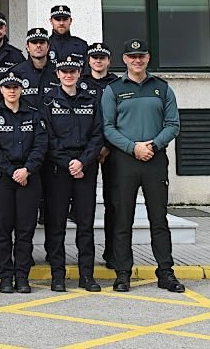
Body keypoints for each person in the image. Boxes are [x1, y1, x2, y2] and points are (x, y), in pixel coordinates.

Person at [103, 39, 184, 294]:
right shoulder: (113, 89)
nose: (137, 60)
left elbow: (173, 124)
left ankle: (165, 272)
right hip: (124, 160)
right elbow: (107, 127)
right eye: (132, 56)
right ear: (124, 59)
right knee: (122, 219)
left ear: (148, 58)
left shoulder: (162, 88)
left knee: (158, 219)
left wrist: (153, 146)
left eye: (141, 56)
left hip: (155, 159)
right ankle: (123, 273)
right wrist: (132, 147)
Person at [0, 72, 48, 293]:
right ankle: (5, 277)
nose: (12, 91)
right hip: (1, 178)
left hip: (29, 178)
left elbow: (40, 146)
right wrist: (12, 171)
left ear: (21, 90)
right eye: (7, 87)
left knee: (25, 231)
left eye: (16, 87)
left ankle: (22, 276)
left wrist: (27, 169)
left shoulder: (35, 115)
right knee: (2, 230)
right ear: (1, 90)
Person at [41, 56, 104, 293]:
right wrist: (68, 162)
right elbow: (46, 137)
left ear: (80, 73)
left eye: (73, 71)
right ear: (57, 74)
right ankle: (58, 275)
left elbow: (98, 135)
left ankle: (86, 275)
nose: (69, 75)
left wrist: (82, 161)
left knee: (85, 225)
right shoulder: (48, 102)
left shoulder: (91, 100)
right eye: (64, 71)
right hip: (58, 169)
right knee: (56, 225)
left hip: (85, 169)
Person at [82, 41, 119, 268]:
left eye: (102, 57)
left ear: (109, 61)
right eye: (94, 57)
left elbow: (121, 118)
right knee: (85, 205)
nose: (98, 61)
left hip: (112, 150)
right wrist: (92, 150)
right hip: (87, 151)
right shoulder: (80, 82)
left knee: (113, 203)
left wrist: (107, 146)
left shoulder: (117, 84)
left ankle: (112, 252)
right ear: (89, 61)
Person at [10, 28, 60, 109]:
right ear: (27, 47)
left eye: (42, 42)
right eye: (34, 42)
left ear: (48, 46)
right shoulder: (16, 72)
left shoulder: (58, 72)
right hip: (26, 120)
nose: (38, 45)